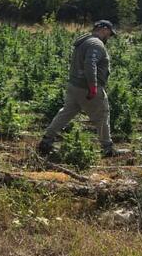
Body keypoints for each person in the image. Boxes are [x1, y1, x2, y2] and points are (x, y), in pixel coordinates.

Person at [37, 20, 122, 158]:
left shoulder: (84, 41)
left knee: (66, 112)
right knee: (102, 115)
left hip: (74, 86)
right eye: (109, 33)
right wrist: (93, 86)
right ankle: (108, 148)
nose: (109, 37)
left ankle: (47, 140)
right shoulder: (96, 44)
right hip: (87, 88)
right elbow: (90, 64)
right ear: (104, 29)